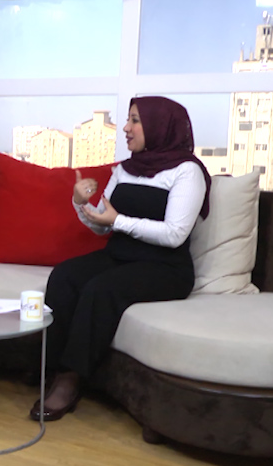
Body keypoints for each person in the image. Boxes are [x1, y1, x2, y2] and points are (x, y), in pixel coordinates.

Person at [31, 96, 211, 422]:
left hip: (165, 267)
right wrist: (80, 203)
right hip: (118, 255)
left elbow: (174, 234)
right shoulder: (125, 169)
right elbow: (103, 224)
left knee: (100, 290)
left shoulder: (187, 171)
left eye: (135, 121)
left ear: (159, 126)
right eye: (128, 120)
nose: (126, 128)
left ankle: (71, 379)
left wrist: (118, 221)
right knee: (65, 276)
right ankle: (51, 368)